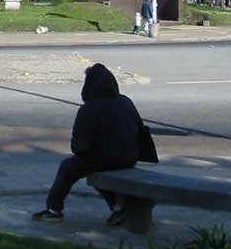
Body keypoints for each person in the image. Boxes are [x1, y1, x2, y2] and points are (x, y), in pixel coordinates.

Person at [32, 63, 152, 226]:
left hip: (103, 158)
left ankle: (54, 209)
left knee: (68, 167)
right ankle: (118, 209)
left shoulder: (89, 109)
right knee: (94, 172)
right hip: (129, 156)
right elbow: (140, 129)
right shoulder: (125, 101)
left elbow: (80, 147)